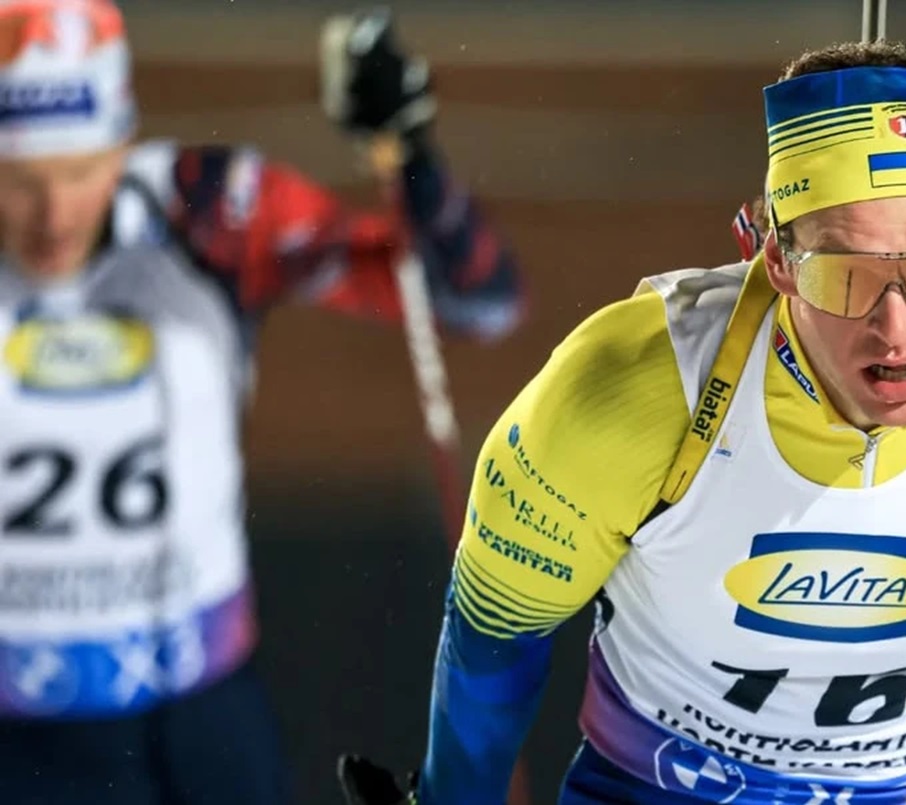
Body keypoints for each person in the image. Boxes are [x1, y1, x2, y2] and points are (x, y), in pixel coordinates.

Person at [341, 38, 906, 805]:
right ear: (775, 256)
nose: (897, 326)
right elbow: (498, 626)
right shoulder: (628, 394)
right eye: (847, 274)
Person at [0, 2, 528, 803]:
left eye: (80, 174)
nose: (54, 214)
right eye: (20, 181)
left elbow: (477, 300)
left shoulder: (203, 208)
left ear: (121, 140)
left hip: (199, 715)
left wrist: (410, 152)